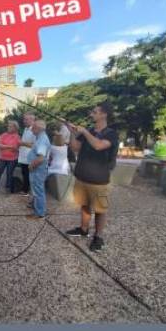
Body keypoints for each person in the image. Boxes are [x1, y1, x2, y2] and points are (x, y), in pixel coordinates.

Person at [65, 102, 119, 253]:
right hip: (82, 176)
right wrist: (72, 132)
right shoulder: (89, 131)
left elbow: (99, 146)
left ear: (104, 114)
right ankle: (83, 229)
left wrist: (85, 132)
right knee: (84, 205)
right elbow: (75, 148)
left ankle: (98, 236)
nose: (92, 114)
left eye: (95, 112)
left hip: (99, 180)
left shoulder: (111, 133)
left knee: (100, 210)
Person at [27, 120, 51, 217]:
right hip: (38, 168)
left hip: (38, 169)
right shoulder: (40, 138)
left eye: (33, 127)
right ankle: (37, 209)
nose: (32, 129)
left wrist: (31, 165)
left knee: (38, 190)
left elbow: (41, 158)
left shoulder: (42, 139)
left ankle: (39, 213)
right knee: (37, 189)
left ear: (38, 128)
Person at [0, 120, 21, 193]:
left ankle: (8, 188)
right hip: (3, 158)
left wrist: (5, 146)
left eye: (10, 126)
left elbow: (16, 147)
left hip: (12, 159)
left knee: (9, 173)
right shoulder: (4, 135)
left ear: (15, 128)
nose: (8, 127)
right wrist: (9, 146)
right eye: (8, 126)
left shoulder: (17, 136)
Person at [17, 113, 36, 197]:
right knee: (24, 173)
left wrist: (22, 143)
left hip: (30, 156)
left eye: (26, 119)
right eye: (24, 119)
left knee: (29, 174)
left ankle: (26, 190)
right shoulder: (25, 129)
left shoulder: (35, 130)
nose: (24, 121)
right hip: (23, 156)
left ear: (32, 120)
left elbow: (34, 145)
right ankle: (25, 189)